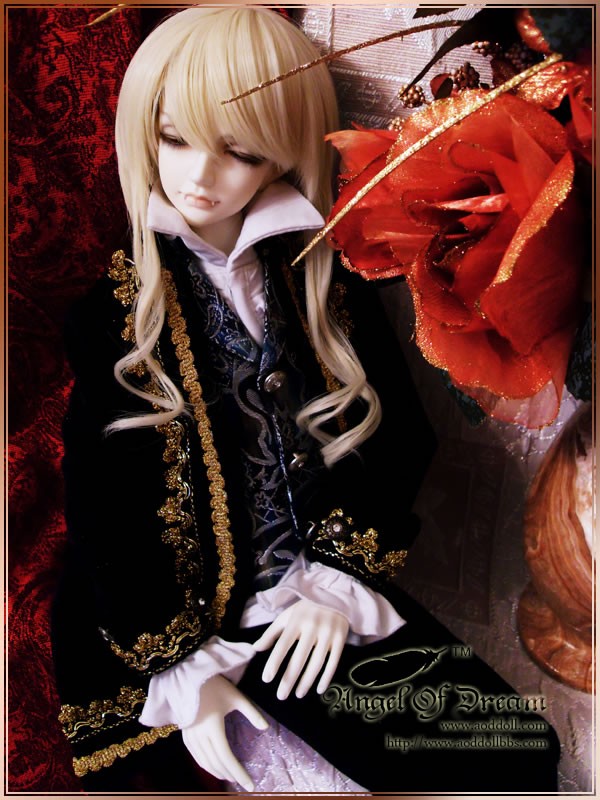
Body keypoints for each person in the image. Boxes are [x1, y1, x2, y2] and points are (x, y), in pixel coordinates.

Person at [51, 6, 560, 793]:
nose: (198, 177)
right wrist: (187, 671)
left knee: (514, 753)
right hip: (178, 621)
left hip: (308, 597)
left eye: (240, 151)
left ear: (280, 155)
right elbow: (104, 510)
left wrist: (332, 580)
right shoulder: (116, 315)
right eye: (173, 138)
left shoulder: (320, 280)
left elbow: (398, 435)